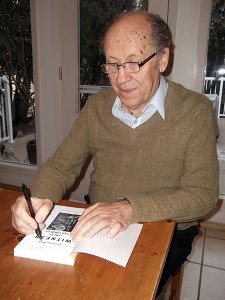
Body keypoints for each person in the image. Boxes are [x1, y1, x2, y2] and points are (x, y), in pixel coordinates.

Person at [11, 11, 219, 295]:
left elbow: (203, 194)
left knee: (120, 290)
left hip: (165, 228)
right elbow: (60, 166)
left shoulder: (195, 111)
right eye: (112, 64)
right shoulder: (97, 107)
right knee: (48, 280)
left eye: (134, 63)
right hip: (97, 219)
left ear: (162, 59)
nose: (121, 78)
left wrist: (128, 208)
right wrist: (38, 200)